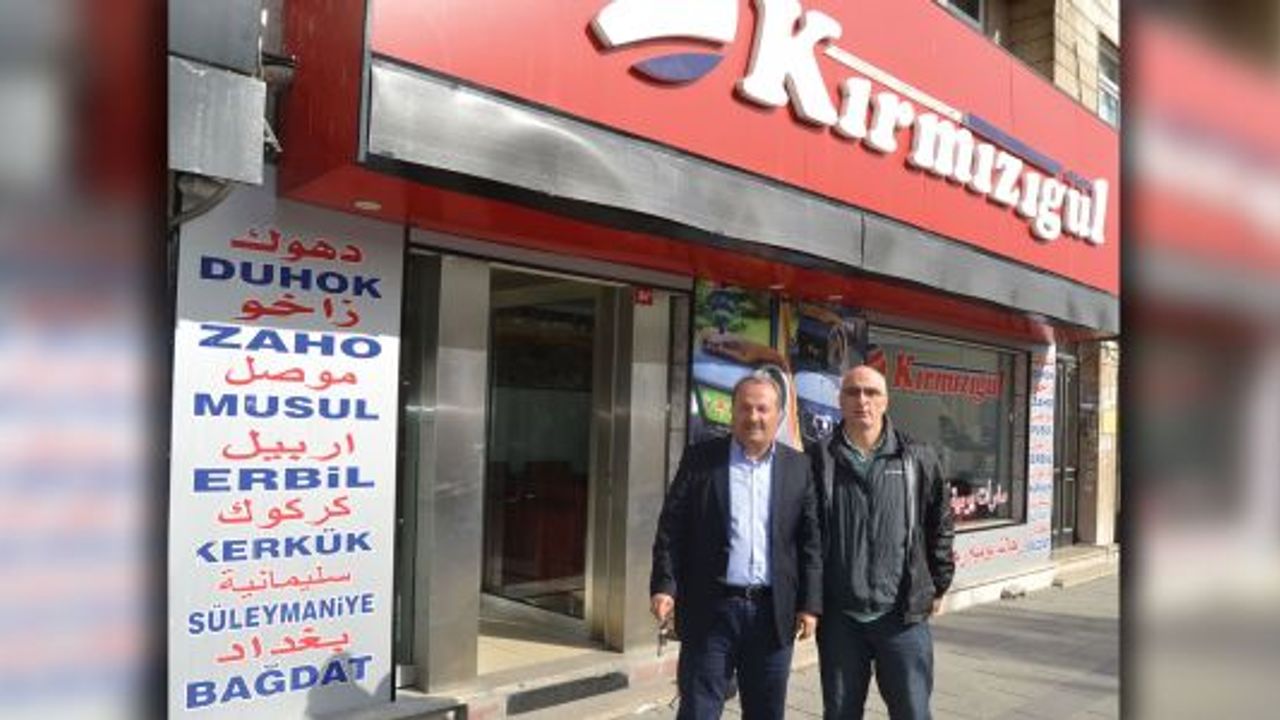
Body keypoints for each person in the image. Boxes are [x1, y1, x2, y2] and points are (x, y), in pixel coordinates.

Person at [651, 371, 823, 720]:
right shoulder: (701, 459)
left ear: (778, 415)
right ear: (732, 412)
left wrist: (810, 604)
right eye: (745, 408)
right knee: (699, 710)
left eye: (762, 409)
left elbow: (810, 542)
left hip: (772, 614)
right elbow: (672, 528)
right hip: (710, 610)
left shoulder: (798, 467)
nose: (753, 417)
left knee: (765, 712)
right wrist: (665, 585)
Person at [811, 365, 955, 720]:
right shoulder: (819, 459)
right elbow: (806, 535)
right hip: (841, 620)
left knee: (912, 712)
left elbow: (940, 522)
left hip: (901, 617)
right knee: (840, 713)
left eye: (871, 392)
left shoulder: (916, 456)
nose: (862, 400)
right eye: (853, 392)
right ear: (840, 401)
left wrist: (938, 583)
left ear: (886, 401)